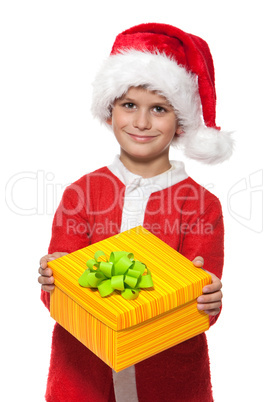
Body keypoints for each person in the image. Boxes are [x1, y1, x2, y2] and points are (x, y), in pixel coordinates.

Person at [38, 23, 233, 402]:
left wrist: (208, 299)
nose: (141, 122)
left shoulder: (202, 204)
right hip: (83, 377)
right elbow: (57, 299)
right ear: (109, 111)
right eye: (129, 105)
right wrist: (54, 277)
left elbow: (202, 305)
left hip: (170, 380)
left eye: (158, 109)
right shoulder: (81, 193)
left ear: (181, 123)